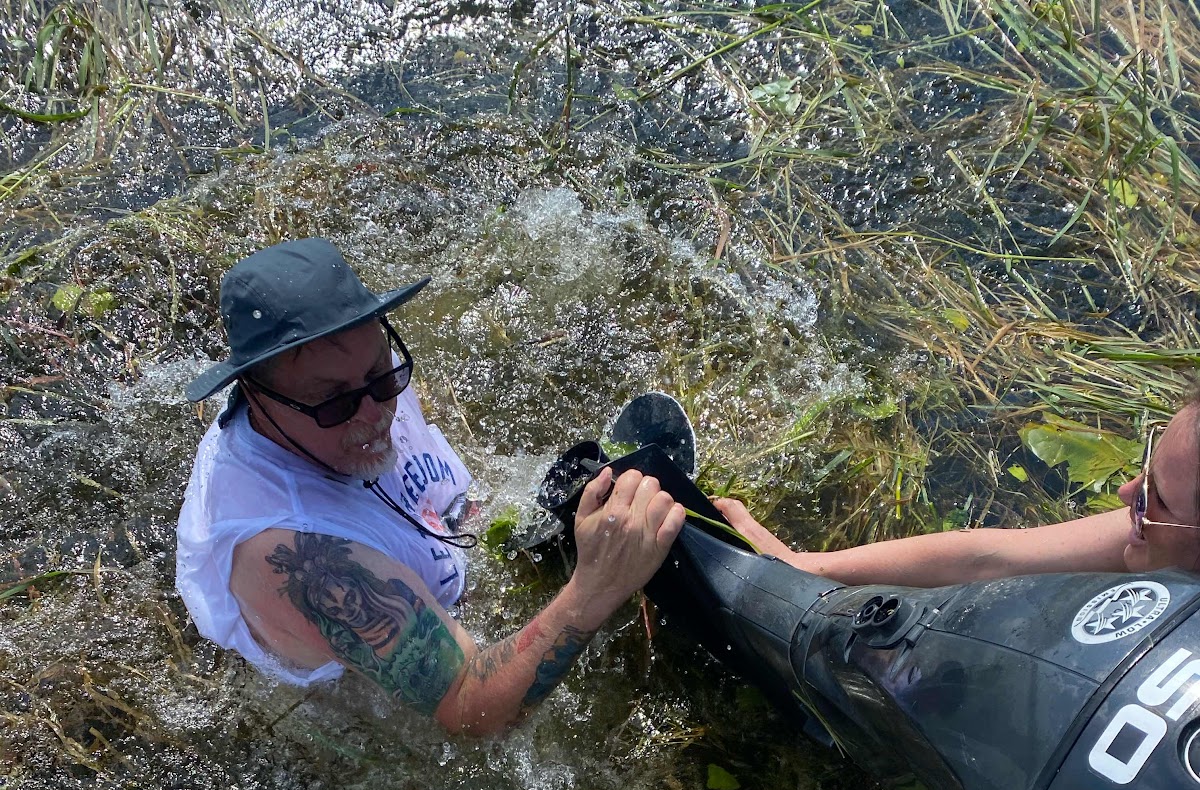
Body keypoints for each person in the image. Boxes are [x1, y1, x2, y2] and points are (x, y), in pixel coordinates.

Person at [177, 237, 684, 735]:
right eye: (336, 403)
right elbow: (469, 708)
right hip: (365, 702)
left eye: (382, 376)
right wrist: (596, 588)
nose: (376, 415)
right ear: (255, 396)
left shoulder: (348, 390)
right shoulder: (293, 555)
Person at [712, 394, 1200, 583]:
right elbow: (990, 558)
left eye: (1155, 497)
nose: (1126, 494)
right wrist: (805, 568)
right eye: (1145, 469)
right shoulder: (1165, 530)